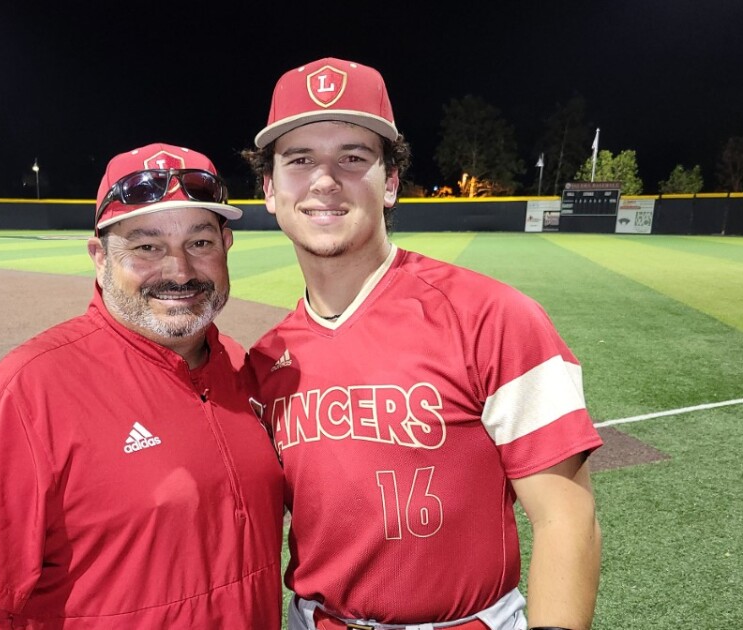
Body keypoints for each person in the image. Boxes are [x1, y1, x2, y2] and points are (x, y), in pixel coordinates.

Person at [241, 57, 603, 630]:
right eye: (300, 159)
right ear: (269, 189)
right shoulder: (265, 360)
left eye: (353, 158)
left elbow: (567, 515)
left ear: (390, 183)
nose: (324, 180)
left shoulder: (493, 316)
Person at [0, 142, 285, 628]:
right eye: (147, 247)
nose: (180, 270)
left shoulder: (240, 368)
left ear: (226, 247)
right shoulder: (25, 391)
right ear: (99, 258)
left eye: (200, 242)